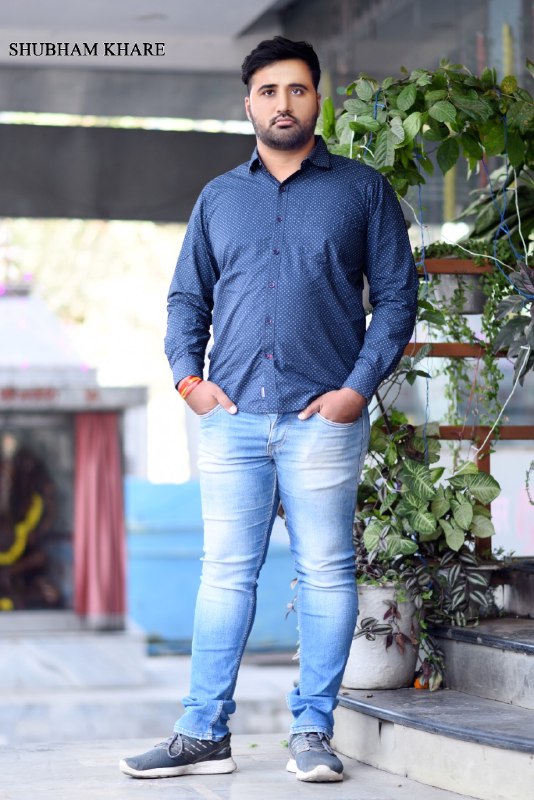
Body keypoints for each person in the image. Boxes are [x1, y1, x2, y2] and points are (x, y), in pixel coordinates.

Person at [120, 35, 418, 783]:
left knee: (325, 574)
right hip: (231, 420)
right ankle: (202, 733)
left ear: (318, 98)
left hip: (324, 420)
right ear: (248, 103)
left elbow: (396, 299)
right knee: (225, 575)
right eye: (268, 92)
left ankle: (313, 731)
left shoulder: (362, 191)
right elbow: (186, 297)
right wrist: (188, 381)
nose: (283, 104)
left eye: (297, 89)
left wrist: (356, 389)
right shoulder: (219, 197)